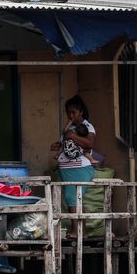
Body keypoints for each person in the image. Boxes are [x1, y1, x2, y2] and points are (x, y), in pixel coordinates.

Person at [50, 95, 96, 238]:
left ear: (81, 112)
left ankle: (77, 231)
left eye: (73, 113)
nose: (70, 116)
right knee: (72, 198)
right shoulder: (70, 129)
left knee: (73, 198)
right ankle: (82, 231)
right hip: (68, 169)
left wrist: (72, 136)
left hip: (80, 168)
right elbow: (66, 144)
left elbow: (89, 144)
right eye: (68, 113)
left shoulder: (87, 127)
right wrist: (58, 145)